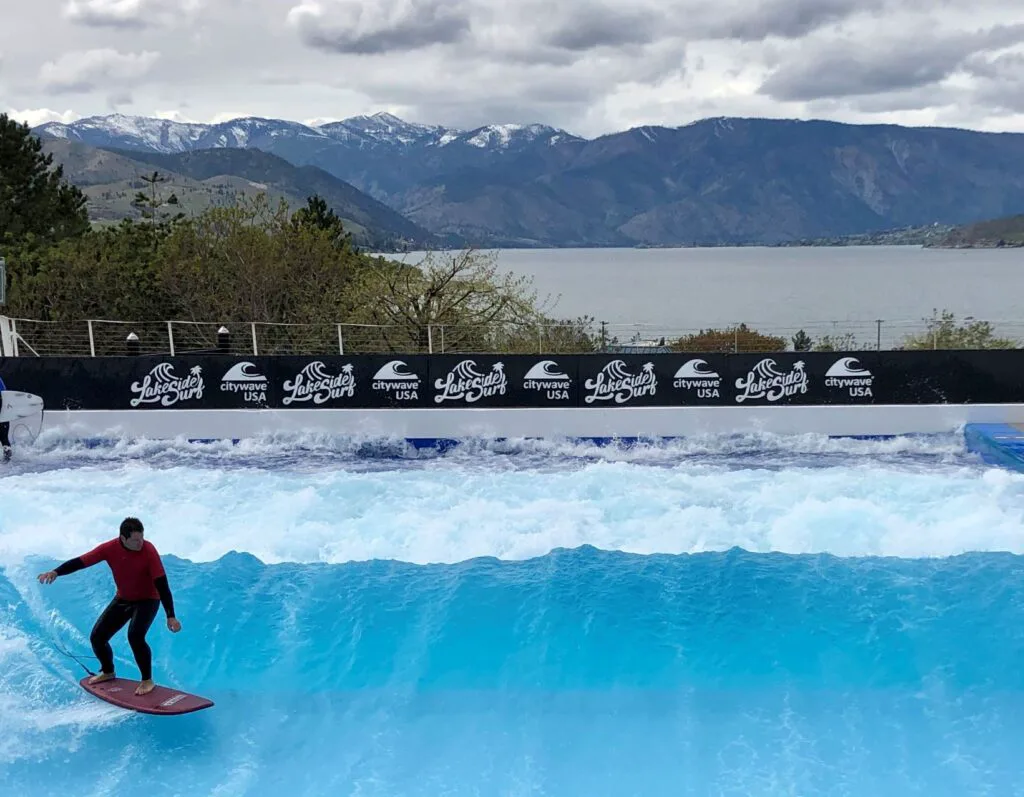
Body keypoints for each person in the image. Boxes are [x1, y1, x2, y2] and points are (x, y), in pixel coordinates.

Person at [37, 517, 182, 696]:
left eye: (142, 538)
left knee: (135, 636)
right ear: (123, 538)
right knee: (97, 637)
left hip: (148, 599)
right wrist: (56, 571)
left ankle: (147, 680)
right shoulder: (109, 548)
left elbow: (162, 584)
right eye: (136, 540)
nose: (140, 543)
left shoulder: (149, 550)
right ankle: (108, 671)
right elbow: (82, 561)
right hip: (124, 599)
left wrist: (170, 615)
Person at [0, 373, 10, 461]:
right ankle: (7, 459)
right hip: (4, 412)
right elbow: (5, 392)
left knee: (4, 437)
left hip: (3, 409)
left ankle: (7, 456)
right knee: (4, 438)